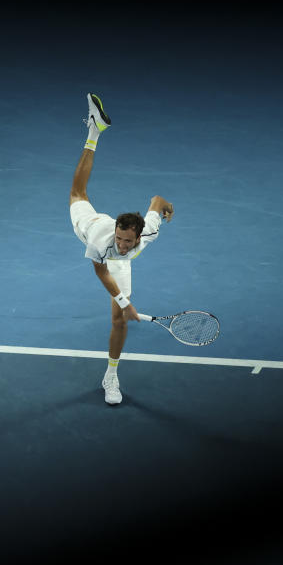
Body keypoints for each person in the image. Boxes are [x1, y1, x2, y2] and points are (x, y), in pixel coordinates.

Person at [69, 93, 174, 405]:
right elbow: (101, 271)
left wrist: (168, 206)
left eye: (128, 241)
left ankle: (110, 375)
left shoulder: (150, 230)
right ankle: (94, 131)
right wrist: (125, 302)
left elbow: (156, 200)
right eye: (120, 238)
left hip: (119, 263)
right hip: (89, 227)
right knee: (77, 192)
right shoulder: (102, 242)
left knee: (117, 320)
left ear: (139, 235)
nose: (123, 244)